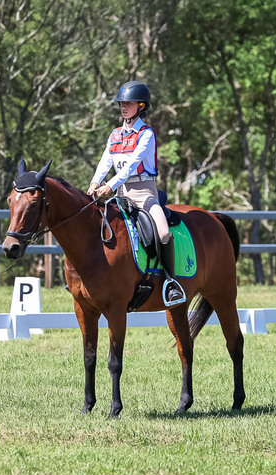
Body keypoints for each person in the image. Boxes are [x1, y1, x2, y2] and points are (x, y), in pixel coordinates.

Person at [87, 81, 185, 307]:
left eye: (128, 103)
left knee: (163, 234)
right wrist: (94, 182)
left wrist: (109, 185)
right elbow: (106, 161)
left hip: (144, 193)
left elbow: (131, 166)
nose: (123, 107)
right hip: (120, 195)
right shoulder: (115, 135)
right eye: (122, 103)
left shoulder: (146, 134)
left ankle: (171, 283)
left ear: (141, 106)